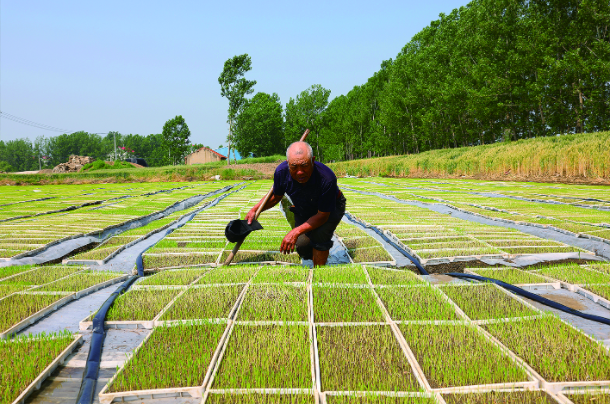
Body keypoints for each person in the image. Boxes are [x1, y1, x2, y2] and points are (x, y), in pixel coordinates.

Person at [246, 141, 346, 266]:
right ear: (288, 164)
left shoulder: (326, 178)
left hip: (330, 207)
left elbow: (322, 216)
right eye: (294, 167)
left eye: (304, 165)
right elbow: (276, 196)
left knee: (320, 237)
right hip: (304, 205)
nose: (300, 172)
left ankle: (319, 273)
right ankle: (314, 256)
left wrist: (294, 232)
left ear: (313, 161)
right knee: (302, 245)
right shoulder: (281, 172)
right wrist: (255, 210)